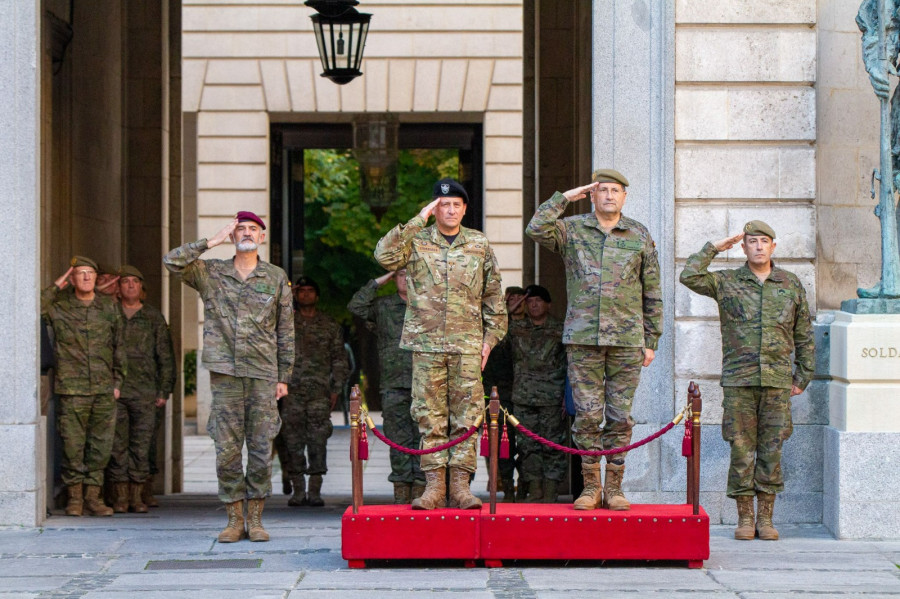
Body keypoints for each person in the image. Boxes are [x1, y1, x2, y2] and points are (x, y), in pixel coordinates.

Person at [526, 169, 662, 511]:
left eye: (615, 190)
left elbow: (653, 290)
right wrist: (565, 198)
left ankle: (614, 487)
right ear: (592, 195)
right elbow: (536, 228)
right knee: (587, 415)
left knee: (619, 416)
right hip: (583, 337)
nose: (609, 196)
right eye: (602, 190)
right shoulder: (572, 229)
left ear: (624, 196)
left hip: (627, 340)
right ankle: (590, 486)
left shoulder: (638, 234)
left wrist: (651, 339)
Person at [374, 177, 507, 510]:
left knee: (467, 417)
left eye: (456, 205)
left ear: (464, 209)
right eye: (443, 205)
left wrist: (490, 339)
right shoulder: (417, 241)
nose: (450, 209)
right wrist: (418, 219)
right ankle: (433, 486)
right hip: (427, 345)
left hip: (467, 348)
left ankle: (461, 486)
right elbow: (383, 256)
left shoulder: (479, 244)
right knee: (429, 416)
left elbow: (494, 297)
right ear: (435, 209)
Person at [679, 221, 814, 541]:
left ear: (773, 247)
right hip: (740, 381)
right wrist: (714, 247)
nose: (758, 246)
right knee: (741, 449)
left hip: (778, 381)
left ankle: (765, 518)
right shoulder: (727, 281)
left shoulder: (790, 283)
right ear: (743, 247)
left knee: (771, 448)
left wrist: (803, 376)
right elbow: (690, 276)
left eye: (764, 241)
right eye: (752, 241)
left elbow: (804, 333)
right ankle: (744, 517)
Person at [164, 211, 294, 543]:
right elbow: (172, 262)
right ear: (233, 236)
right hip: (225, 374)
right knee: (227, 449)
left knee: (262, 448)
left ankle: (257, 519)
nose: (247, 233)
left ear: (262, 238)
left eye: (253, 229)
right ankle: (234, 519)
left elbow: (285, 331)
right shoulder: (212, 273)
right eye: (240, 229)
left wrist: (284, 376)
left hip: (263, 373)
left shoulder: (276, 277)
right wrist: (210, 242)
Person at [42, 256, 126, 517]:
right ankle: (75, 499)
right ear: (72, 279)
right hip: (71, 389)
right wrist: (58, 285)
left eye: (90, 273)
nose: (86, 277)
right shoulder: (60, 308)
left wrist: (118, 382)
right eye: (80, 273)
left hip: (103, 389)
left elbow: (119, 347)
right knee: (72, 446)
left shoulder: (108, 309)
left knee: (100, 447)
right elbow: (35, 307)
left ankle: (94, 498)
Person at [348, 268, 424, 504]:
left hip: (426, 384)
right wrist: (380, 279)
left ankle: (423, 491)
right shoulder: (383, 306)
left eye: (411, 274)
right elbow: (356, 307)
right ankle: (401, 492)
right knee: (398, 439)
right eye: (400, 275)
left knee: (425, 439)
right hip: (393, 384)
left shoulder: (427, 305)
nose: (405, 279)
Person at [106, 265, 175, 514]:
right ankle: (121, 498)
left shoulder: (153, 317)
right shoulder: (110, 314)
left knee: (141, 446)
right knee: (117, 446)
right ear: (118, 288)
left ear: (142, 288)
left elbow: (165, 356)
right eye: (125, 282)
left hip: (146, 392)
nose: (131, 286)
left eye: (135, 281)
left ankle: (137, 497)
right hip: (117, 392)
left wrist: (164, 391)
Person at [281, 276, 348, 507]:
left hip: (319, 391)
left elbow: (339, 358)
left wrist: (336, 389)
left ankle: (315, 490)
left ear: (317, 296)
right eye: (302, 291)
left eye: (311, 291)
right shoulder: (286, 323)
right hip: (292, 391)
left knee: (318, 439)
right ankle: (298, 490)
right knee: (293, 440)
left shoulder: (329, 325)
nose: (306, 294)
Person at [508, 284, 568, 503]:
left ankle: (551, 492)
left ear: (548, 304)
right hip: (523, 397)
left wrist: (568, 397)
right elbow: (495, 328)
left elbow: (572, 363)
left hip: (551, 398)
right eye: (529, 301)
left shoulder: (560, 329)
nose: (533, 305)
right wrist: (512, 307)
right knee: (527, 446)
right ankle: (535, 490)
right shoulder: (516, 328)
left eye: (538, 301)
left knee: (552, 444)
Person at [482, 286, 527, 501]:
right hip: (497, 393)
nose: (516, 301)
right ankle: (506, 485)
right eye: (511, 298)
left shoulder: (529, 326)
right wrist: (505, 314)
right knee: (500, 443)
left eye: (520, 298)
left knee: (527, 444)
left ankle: (526, 486)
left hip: (526, 393)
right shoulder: (496, 327)